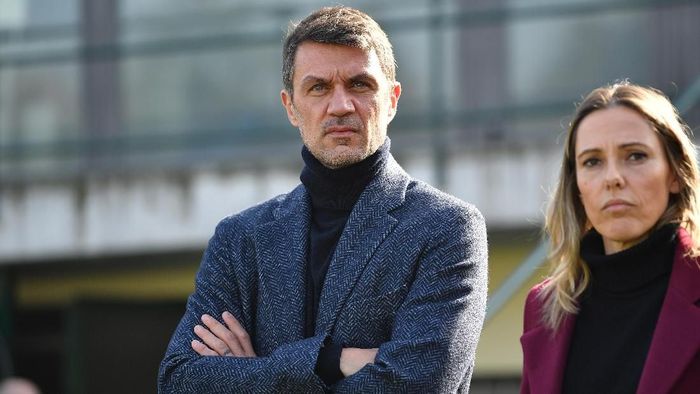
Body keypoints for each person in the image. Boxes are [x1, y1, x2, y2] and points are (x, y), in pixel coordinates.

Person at [158, 6, 488, 393]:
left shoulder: (446, 228)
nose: (341, 105)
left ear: (393, 99)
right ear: (291, 107)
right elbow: (179, 380)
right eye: (319, 88)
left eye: (360, 85)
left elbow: (419, 385)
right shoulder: (240, 240)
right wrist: (331, 360)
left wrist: (256, 375)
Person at [520, 81, 700, 394]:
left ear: (675, 174)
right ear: (576, 186)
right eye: (592, 161)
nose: (613, 178)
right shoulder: (543, 307)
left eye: (635, 156)